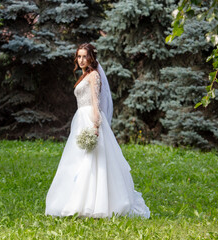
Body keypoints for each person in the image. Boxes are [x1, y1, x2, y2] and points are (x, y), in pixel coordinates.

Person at [45, 43, 150, 218]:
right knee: (78, 160)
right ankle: (76, 199)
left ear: (91, 58)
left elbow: (96, 102)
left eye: (85, 56)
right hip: (80, 119)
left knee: (93, 160)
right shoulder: (84, 75)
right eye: (79, 57)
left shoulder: (94, 75)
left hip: (89, 119)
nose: (81, 60)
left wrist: (95, 125)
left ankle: (94, 203)